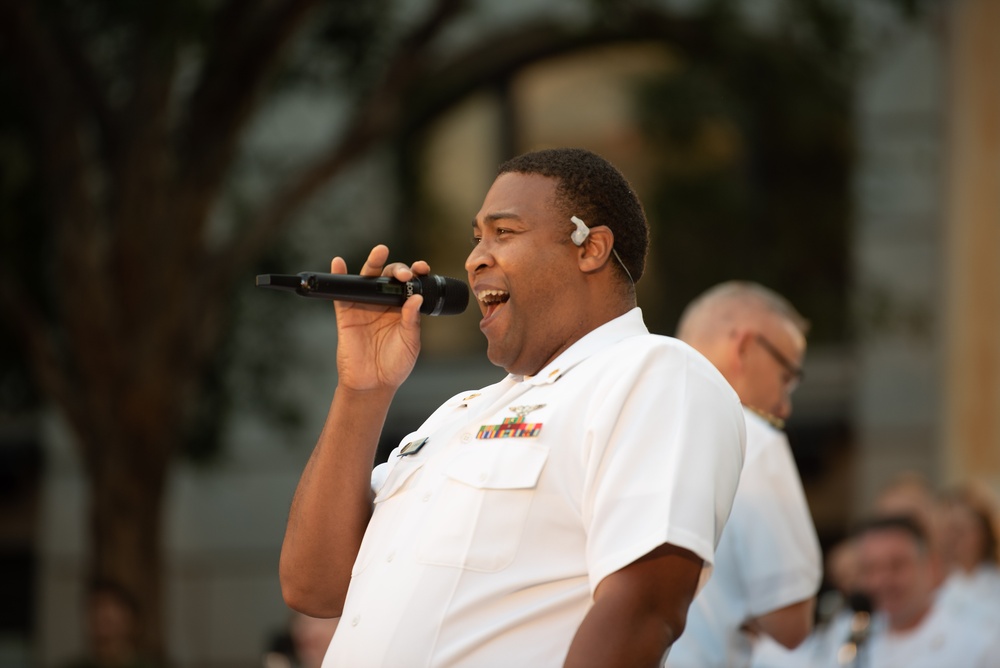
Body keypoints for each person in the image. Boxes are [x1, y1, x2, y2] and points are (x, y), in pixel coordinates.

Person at [278, 147, 746, 667]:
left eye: (504, 232)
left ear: (590, 247)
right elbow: (313, 587)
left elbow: (645, 607)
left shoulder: (651, 372)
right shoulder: (459, 413)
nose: (476, 257)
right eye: (477, 236)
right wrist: (362, 391)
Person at [666, 282, 822, 668]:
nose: (784, 406)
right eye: (787, 376)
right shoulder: (752, 438)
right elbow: (791, 623)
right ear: (745, 347)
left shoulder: (617, 423)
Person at [837, 515, 1000, 667]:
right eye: (870, 569)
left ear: (931, 566)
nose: (882, 581)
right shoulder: (846, 635)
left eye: (896, 566)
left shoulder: (980, 642)